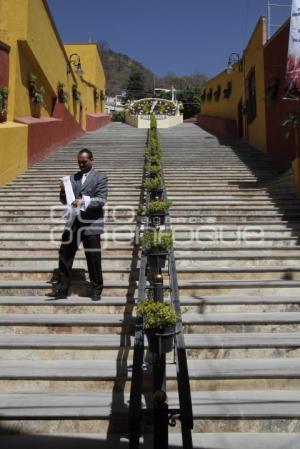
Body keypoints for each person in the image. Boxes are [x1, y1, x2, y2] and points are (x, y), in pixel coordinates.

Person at [51, 148, 108, 301]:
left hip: (91, 224)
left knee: (93, 257)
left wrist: (83, 201)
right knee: (65, 254)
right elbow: (65, 201)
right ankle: (61, 289)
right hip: (73, 223)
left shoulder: (100, 178)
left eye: (84, 162)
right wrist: (63, 191)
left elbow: (101, 200)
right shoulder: (72, 178)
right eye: (79, 162)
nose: (81, 165)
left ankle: (96, 290)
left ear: (92, 160)